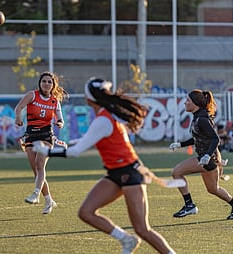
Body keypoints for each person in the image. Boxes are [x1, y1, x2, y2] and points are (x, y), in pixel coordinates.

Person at [33, 78, 176, 254]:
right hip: (115, 173)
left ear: (88, 99)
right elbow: (95, 141)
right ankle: (126, 239)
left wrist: (47, 151)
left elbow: (76, 152)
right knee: (86, 212)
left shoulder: (103, 119)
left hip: (130, 173)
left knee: (142, 229)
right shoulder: (104, 117)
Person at [168, 89, 233, 220]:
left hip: (208, 158)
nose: (185, 103)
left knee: (176, 172)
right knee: (213, 189)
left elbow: (216, 139)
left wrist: (207, 156)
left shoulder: (202, 119)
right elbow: (198, 138)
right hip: (209, 158)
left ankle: (189, 205)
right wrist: (180, 144)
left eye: (188, 100)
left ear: (196, 103)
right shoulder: (198, 117)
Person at [14, 71, 68, 214]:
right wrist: (18, 118)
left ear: (53, 85)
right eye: (44, 81)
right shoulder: (32, 95)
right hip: (31, 135)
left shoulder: (54, 101)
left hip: (46, 135)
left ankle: (36, 194)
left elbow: (60, 118)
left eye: (49, 82)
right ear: (40, 83)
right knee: (37, 171)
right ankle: (49, 200)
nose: (46, 84)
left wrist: (60, 123)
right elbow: (18, 107)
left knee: (40, 164)